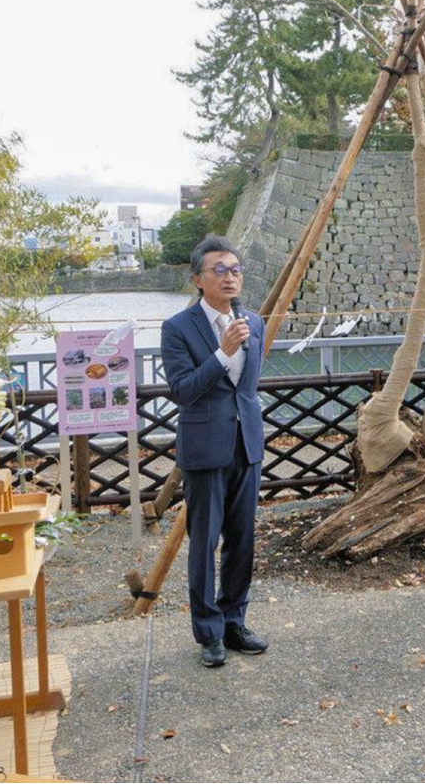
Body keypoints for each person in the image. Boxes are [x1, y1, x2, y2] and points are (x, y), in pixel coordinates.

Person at [160, 235, 268, 668]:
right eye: (219, 270)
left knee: (243, 540)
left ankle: (233, 621)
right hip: (205, 448)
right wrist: (222, 354)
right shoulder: (178, 327)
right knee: (204, 543)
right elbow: (183, 391)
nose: (230, 277)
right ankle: (208, 633)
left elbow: (248, 388)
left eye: (236, 269)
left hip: (247, 444)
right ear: (198, 280)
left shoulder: (253, 322)